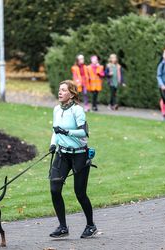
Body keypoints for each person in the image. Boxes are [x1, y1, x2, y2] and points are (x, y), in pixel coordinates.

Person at [48, 80, 97, 239]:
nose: (60, 92)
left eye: (63, 90)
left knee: (80, 193)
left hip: (79, 155)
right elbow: (55, 130)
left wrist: (66, 132)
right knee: (55, 189)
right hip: (62, 154)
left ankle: (91, 225)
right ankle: (63, 227)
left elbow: (83, 133)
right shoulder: (56, 109)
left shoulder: (78, 110)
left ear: (72, 94)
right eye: (59, 89)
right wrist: (53, 144)